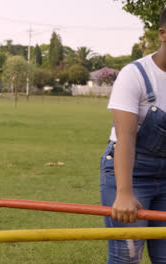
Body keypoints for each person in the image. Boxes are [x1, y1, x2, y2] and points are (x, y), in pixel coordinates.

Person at [100, 7, 166, 264]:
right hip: (129, 172)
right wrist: (125, 192)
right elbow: (125, 137)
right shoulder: (135, 75)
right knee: (126, 256)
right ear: (163, 34)